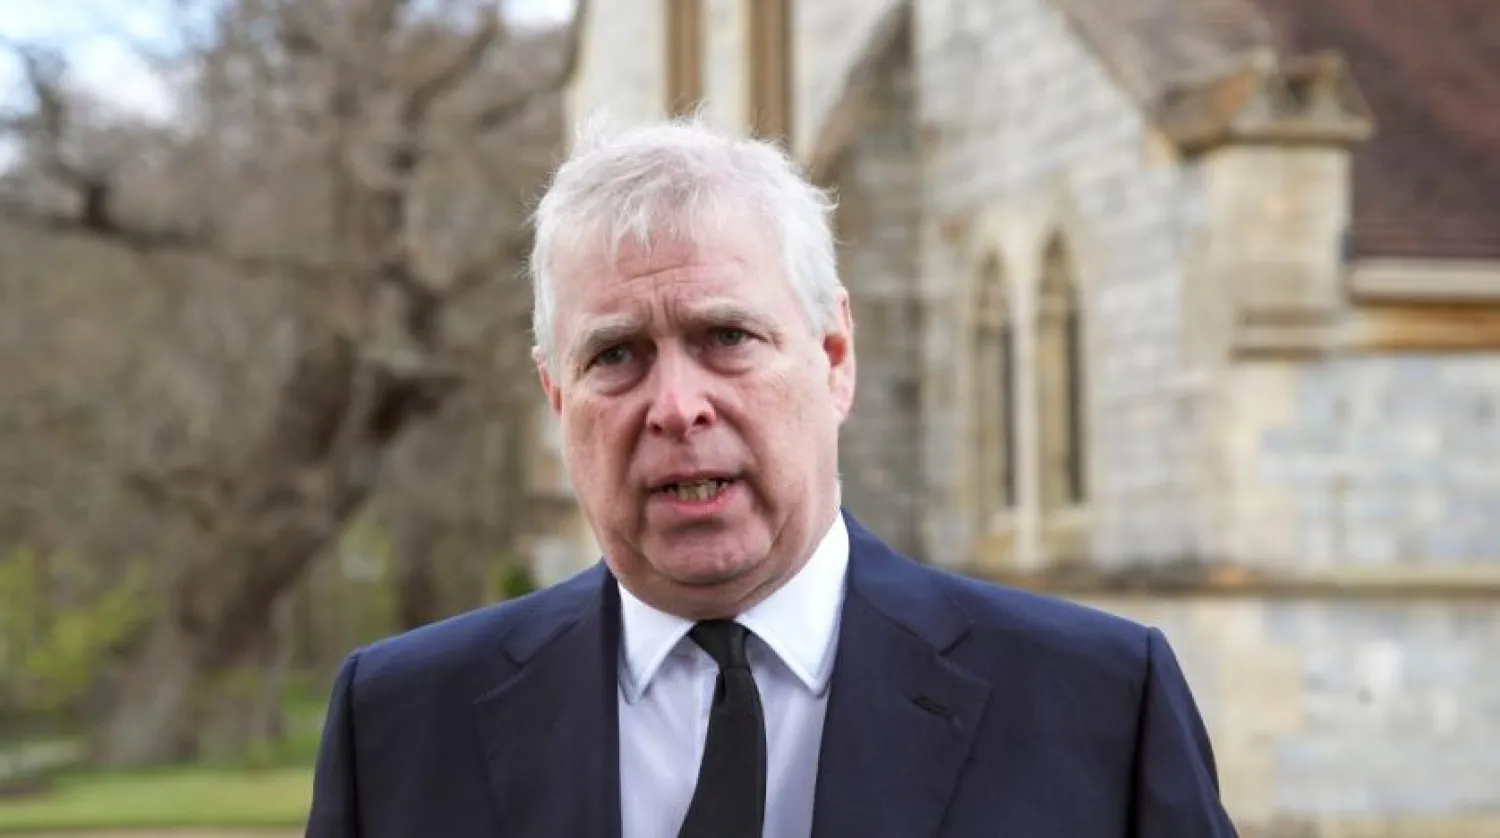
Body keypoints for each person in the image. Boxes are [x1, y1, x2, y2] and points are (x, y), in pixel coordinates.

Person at [303, 115, 1239, 838]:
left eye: (727, 338)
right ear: (557, 396)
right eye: (618, 355)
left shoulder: (1101, 705)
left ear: (834, 357)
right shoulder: (397, 728)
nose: (676, 405)